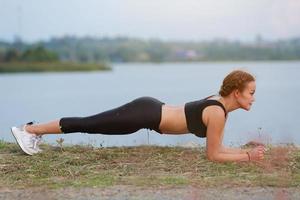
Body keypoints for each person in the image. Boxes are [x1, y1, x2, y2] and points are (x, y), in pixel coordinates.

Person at [11, 69, 266, 162]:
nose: (253, 98)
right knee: (89, 124)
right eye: (251, 92)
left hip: (150, 109)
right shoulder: (217, 112)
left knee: (91, 124)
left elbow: (218, 147)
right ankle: (30, 130)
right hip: (145, 113)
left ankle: (33, 130)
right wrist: (247, 157)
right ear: (236, 92)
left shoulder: (218, 103)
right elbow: (212, 156)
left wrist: (245, 151)